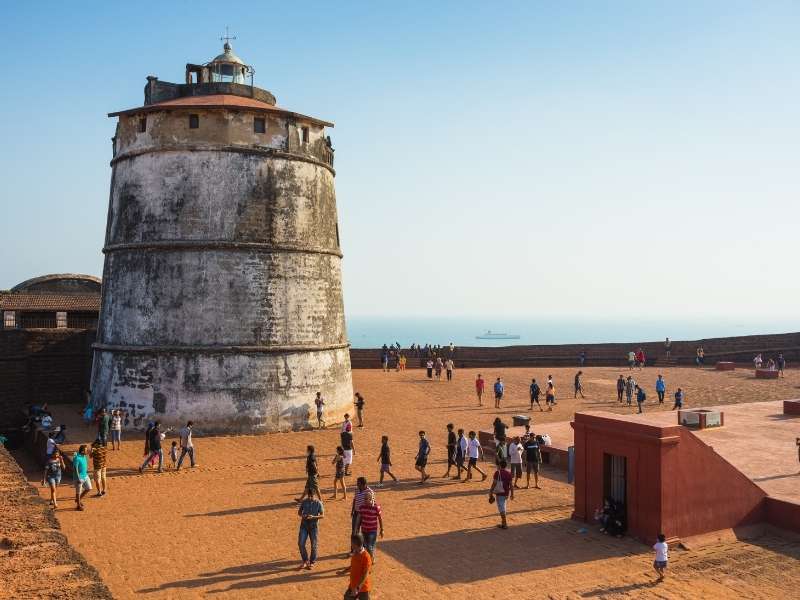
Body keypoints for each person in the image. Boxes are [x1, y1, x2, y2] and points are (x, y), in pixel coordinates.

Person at [298, 493, 324, 570]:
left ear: (314, 495)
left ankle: (312, 562)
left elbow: (322, 515)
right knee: (301, 543)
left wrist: (314, 517)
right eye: (309, 496)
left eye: (311, 496)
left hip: (314, 527)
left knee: (314, 545)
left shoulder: (318, 503)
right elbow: (299, 512)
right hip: (304, 525)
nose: (310, 497)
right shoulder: (304, 502)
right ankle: (305, 560)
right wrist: (303, 515)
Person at [356, 489, 383, 560]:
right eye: (364, 499)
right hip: (364, 530)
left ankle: (371, 558)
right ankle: (368, 558)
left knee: (368, 546)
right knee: (365, 545)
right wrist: (357, 528)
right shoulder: (362, 507)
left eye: (366, 499)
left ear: (371, 499)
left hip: (372, 531)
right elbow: (359, 518)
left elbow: (380, 519)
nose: (364, 500)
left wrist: (382, 530)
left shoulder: (376, 507)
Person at [344, 533, 372, 599]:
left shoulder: (366, 557)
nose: (351, 545)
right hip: (353, 585)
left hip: (363, 589)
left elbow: (365, 574)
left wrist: (357, 588)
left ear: (355, 544)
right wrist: (343, 571)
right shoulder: (355, 552)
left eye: (352, 543)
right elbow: (353, 566)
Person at [489, 459, 513, 529]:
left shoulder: (497, 473)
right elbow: (511, 485)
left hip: (499, 493)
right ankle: (503, 523)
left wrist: (491, 491)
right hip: (506, 493)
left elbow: (494, 483)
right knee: (503, 506)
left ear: (500, 465)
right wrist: (512, 494)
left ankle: (505, 523)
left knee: (501, 508)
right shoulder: (509, 473)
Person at [73, 445, 91, 511]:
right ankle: (78, 505)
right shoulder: (77, 458)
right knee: (78, 492)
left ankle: (78, 499)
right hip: (79, 477)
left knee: (89, 488)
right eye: (86, 450)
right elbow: (76, 469)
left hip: (85, 476)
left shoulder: (84, 456)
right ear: (83, 451)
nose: (87, 451)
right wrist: (78, 478)